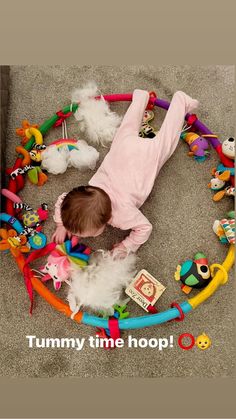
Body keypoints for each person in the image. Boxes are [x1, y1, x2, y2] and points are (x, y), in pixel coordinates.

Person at [52, 89, 199, 257]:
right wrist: (62, 224)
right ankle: (140, 98)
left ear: (107, 220)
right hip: (124, 150)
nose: (81, 237)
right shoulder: (87, 191)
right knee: (127, 127)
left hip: (146, 159)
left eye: (90, 234)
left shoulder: (122, 216)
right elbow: (63, 199)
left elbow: (145, 228)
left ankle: (181, 102)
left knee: (167, 141)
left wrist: (126, 246)